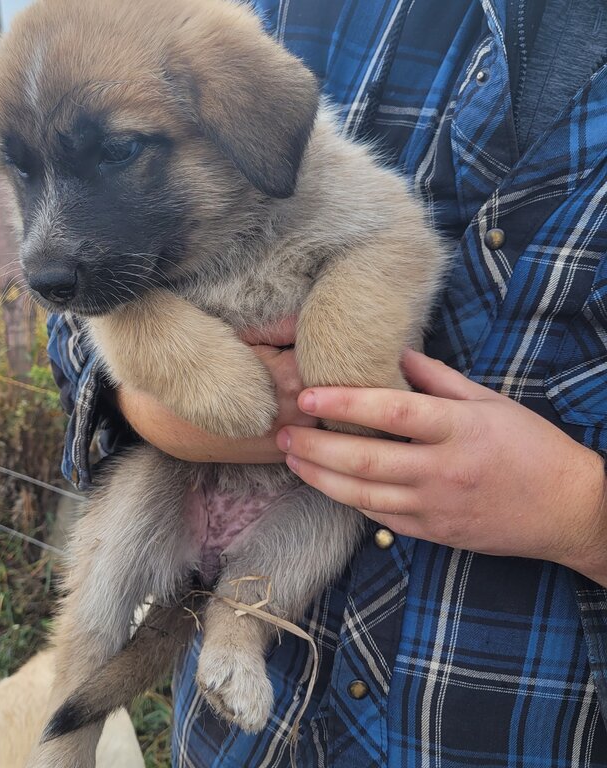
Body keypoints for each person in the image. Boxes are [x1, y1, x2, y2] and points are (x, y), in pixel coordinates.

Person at [47, 0, 607, 764]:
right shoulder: (283, 16)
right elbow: (76, 302)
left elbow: (389, 240)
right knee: (100, 603)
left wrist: (582, 512)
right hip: (244, 727)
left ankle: (234, 629)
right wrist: (159, 396)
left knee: (313, 529)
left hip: (497, 724)